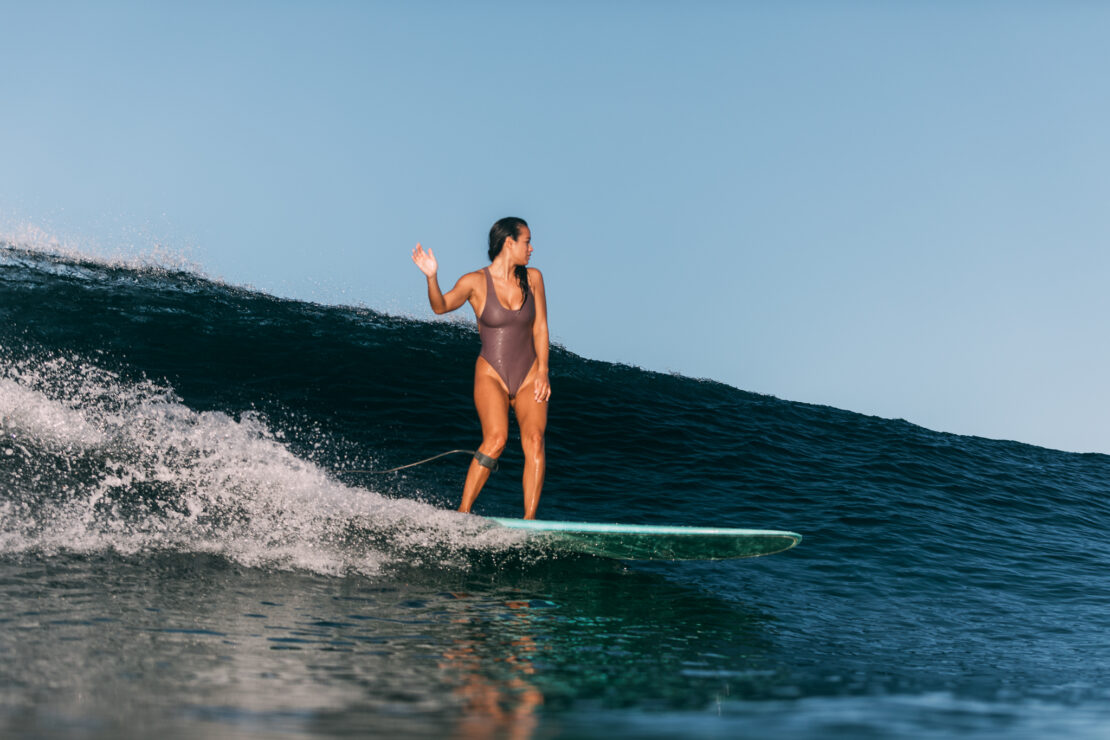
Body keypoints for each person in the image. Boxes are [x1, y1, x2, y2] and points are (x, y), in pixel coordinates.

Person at [411, 217, 551, 519]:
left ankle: (529, 521)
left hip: (529, 375)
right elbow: (440, 306)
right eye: (526, 241)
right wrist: (431, 277)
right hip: (492, 373)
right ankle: (463, 513)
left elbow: (540, 328)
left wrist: (543, 371)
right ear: (509, 242)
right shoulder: (475, 282)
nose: (531, 248)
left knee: (535, 440)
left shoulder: (534, 279)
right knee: (496, 439)